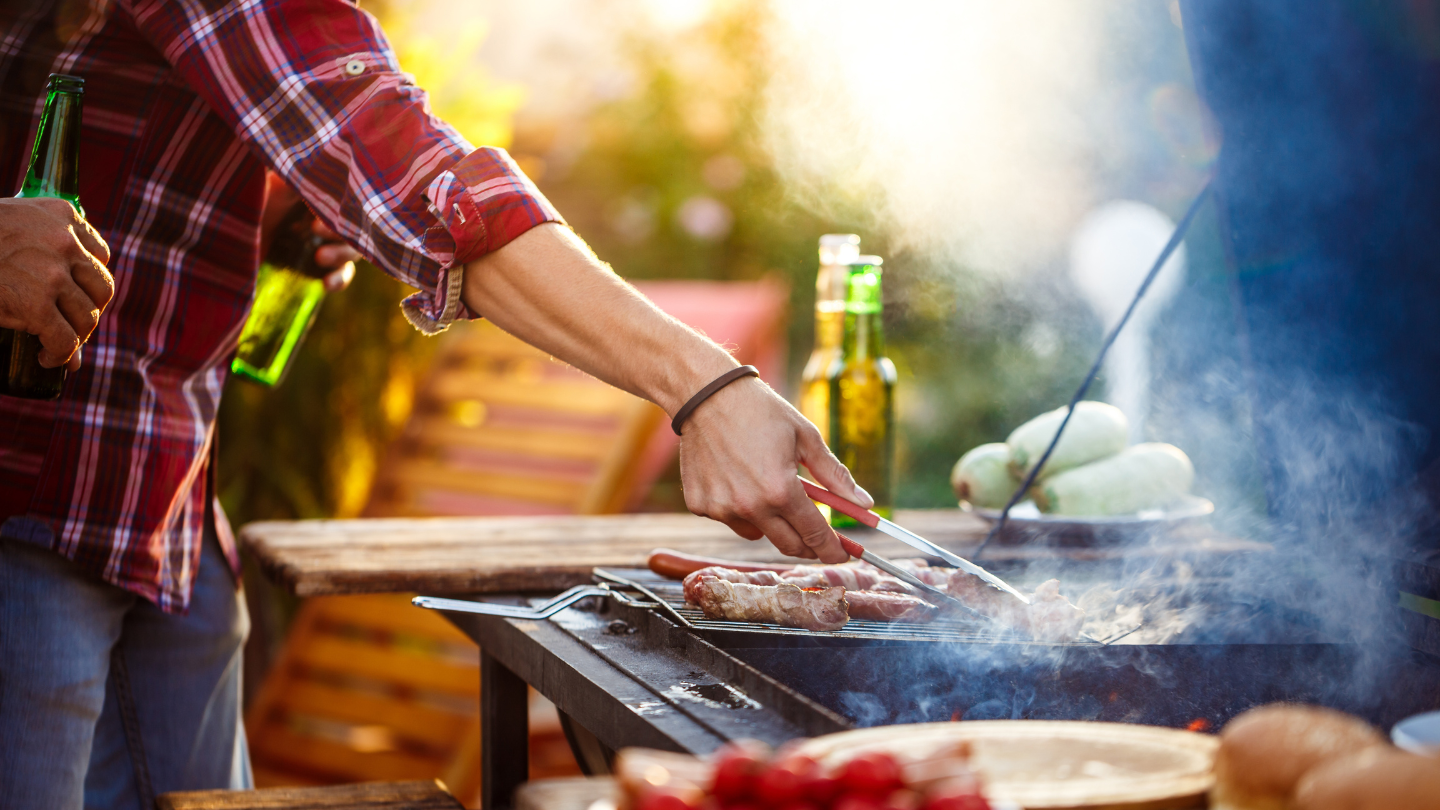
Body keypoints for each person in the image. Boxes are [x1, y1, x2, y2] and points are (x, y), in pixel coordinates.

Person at [0, 1, 870, 806]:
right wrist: (706, 386)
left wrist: (271, 212)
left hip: (163, 494)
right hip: (31, 492)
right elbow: (405, 161)